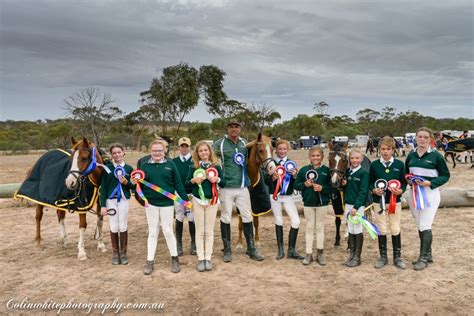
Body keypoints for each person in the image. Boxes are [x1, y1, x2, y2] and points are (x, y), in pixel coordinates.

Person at [132, 140, 190, 275]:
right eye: (154, 151)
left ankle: (175, 259)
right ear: (150, 152)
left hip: (167, 204)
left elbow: (178, 184)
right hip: (151, 204)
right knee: (153, 232)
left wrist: (185, 200)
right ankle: (150, 261)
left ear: (164, 151)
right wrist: (134, 184)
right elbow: (140, 185)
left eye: (159, 150)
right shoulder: (145, 166)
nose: (157, 153)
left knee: (168, 231)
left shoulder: (171, 164)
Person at [212, 120, 264, 262]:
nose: (234, 129)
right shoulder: (219, 144)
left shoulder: (243, 143)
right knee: (226, 217)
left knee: (247, 216)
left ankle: (251, 249)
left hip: (242, 187)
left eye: (236, 127)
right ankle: (227, 250)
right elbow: (210, 157)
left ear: (240, 129)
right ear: (227, 129)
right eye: (231, 127)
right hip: (226, 187)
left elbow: (254, 152)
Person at [405, 127, 450, 271]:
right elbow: (406, 173)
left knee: (425, 225)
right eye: (420, 137)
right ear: (416, 138)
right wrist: (409, 180)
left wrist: (430, 183)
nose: (422, 140)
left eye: (425, 137)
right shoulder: (411, 155)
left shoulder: (436, 156)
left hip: (429, 193)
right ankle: (428, 254)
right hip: (414, 194)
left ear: (430, 139)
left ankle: (423, 258)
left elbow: (445, 175)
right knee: (419, 224)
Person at [185, 141, 226, 272]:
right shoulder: (193, 167)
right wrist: (193, 181)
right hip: (197, 201)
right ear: (197, 153)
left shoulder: (216, 166)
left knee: (209, 230)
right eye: (201, 151)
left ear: (210, 151)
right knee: (200, 230)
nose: (203, 153)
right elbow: (186, 184)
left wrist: (217, 180)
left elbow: (224, 183)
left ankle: (208, 257)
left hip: (212, 201)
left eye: (206, 150)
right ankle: (200, 258)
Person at [369, 137, 407, 269]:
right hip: (378, 202)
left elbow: (403, 181)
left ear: (393, 150)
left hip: (394, 201)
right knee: (382, 228)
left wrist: (400, 190)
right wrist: (373, 190)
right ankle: (383, 256)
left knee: (395, 227)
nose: (385, 152)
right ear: (379, 150)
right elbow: (369, 181)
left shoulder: (399, 165)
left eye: (388, 149)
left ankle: (397, 257)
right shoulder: (374, 165)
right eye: (383, 149)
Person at [265, 140, 304, 261]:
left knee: (296, 221)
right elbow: (266, 181)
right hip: (275, 195)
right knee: (278, 220)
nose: (282, 151)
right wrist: (272, 177)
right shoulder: (271, 163)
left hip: (287, 196)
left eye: (284, 149)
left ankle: (291, 249)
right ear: (276, 150)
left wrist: (295, 176)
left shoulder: (291, 164)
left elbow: (296, 183)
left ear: (287, 150)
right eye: (280, 149)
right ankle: (280, 249)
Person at [294, 146, 332, 266]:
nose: (315, 158)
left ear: (322, 157)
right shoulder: (304, 170)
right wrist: (304, 184)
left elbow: (332, 189)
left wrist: (322, 188)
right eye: (313, 156)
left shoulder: (327, 171)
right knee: (309, 228)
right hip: (308, 204)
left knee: (320, 227)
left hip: (322, 204)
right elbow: (296, 185)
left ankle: (320, 253)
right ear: (309, 157)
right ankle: (308, 253)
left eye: (318, 155)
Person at [99, 143, 134, 265]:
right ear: (111, 155)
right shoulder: (107, 168)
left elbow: (133, 186)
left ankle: (124, 253)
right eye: (114, 153)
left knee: (123, 225)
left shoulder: (129, 168)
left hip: (124, 200)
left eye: (119, 152)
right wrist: (103, 205)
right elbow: (103, 188)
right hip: (111, 201)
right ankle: (115, 252)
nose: (117, 155)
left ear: (123, 153)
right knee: (113, 226)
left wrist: (126, 183)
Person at [341, 148, 369, 268]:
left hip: (357, 207)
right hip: (347, 204)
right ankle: (351, 255)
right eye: (352, 158)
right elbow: (346, 189)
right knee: (350, 229)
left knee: (357, 229)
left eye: (357, 158)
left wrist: (356, 207)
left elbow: (363, 192)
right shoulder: (347, 172)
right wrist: (343, 186)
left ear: (361, 159)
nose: (354, 160)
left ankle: (357, 256)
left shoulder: (363, 173)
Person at [172, 137, 197, 256]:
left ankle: (193, 243)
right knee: (179, 217)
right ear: (178, 147)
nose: (184, 148)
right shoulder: (174, 162)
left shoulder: (195, 161)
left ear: (190, 147)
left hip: (191, 194)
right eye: (182, 146)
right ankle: (179, 244)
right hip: (178, 194)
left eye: (186, 146)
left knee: (192, 218)